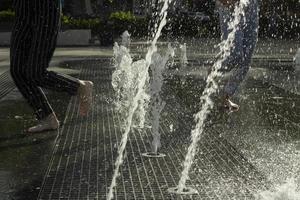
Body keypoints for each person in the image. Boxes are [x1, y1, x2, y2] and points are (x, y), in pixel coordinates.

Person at [10, 0, 93, 133]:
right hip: (22, 8)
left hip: (45, 7)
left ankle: (79, 86)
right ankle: (47, 118)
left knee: (36, 73)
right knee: (17, 71)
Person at [217, 0, 259, 112]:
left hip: (251, 5)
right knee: (235, 54)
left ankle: (226, 96)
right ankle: (213, 70)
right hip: (231, 5)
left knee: (246, 60)